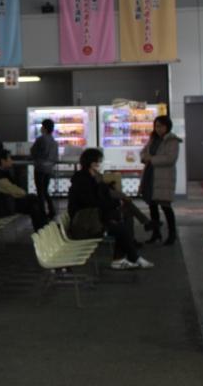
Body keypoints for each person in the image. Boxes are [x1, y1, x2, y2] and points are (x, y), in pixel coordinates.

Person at [67, 147, 153, 270]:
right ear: (92, 163)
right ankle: (129, 257)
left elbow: (102, 197)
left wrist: (114, 202)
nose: (100, 164)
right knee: (121, 227)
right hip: (86, 223)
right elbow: (91, 203)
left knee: (125, 218)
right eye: (98, 162)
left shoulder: (93, 177)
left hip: (94, 217)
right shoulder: (82, 181)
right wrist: (114, 205)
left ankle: (123, 257)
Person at [140, 115, 182, 245]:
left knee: (165, 207)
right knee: (152, 206)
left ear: (167, 126)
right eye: (156, 126)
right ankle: (156, 233)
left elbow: (170, 159)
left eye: (161, 126)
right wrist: (144, 157)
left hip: (163, 177)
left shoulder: (172, 140)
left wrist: (151, 159)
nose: (158, 129)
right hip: (150, 175)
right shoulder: (153, 138)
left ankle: (172, 235)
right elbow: (144, 152)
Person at [0, 149, 46, 229]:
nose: (11, 161)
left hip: (2, 204)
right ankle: (42, 228)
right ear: (2, 161)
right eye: (9, 158)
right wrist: (26, 194)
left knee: (33, 203)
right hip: (0, 208)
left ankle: (42, 228)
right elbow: (13, 191)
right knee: (33, 202)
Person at [30, 118, 59, 222]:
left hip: (40, 168)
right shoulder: (54, 141)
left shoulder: (40, 139)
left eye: (42, 126)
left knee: (40, 191)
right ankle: (52, 210)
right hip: (49, 168)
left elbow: (33, 152)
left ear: (45, 128)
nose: (41, 128)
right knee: (45, 190)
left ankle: (42, 212)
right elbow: (55, 157)